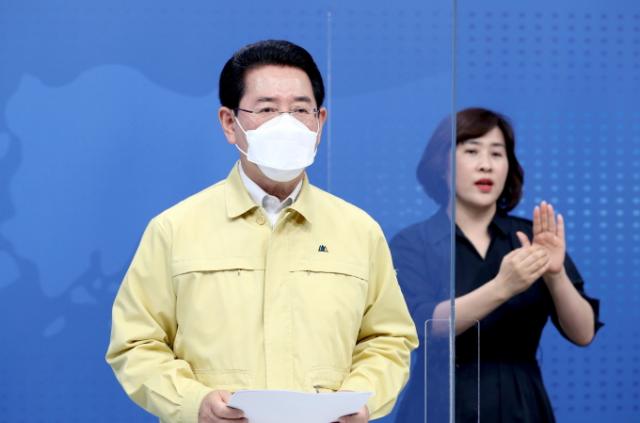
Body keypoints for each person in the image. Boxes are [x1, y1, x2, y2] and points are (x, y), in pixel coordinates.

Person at [105, 40, 418, 423]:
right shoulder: (174, 229)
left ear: (320, 122)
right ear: (229, 123)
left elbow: (388, 339)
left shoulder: (359, 231)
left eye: (300, 110)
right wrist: (193, 402)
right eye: (267, 109)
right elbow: (136, 344)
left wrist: (359, 398)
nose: (286, 124)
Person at [392, 108, 602, 422]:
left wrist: (555, 274)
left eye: (497, 153)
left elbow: (583, 333)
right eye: (472, 151)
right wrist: (502, 287)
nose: (486, 165)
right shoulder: (413, 242)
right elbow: (421, 325)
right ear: (441, 165)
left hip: (521, 404)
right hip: (440, 403)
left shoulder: (532, 237)